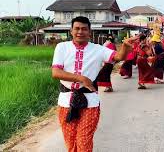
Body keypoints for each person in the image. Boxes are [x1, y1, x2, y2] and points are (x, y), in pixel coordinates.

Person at [51, 16, 133, 152]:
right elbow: (56, 72)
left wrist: (124, 47)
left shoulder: (98, 49)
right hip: (66, 101)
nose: (80, 32)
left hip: (90, 102)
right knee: (70, 142)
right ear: (71, 31)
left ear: (90, 32)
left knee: (84, 141)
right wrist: (81, 78)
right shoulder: (62, 47)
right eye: (77, 28)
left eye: (84, 29)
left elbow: (118, 57)